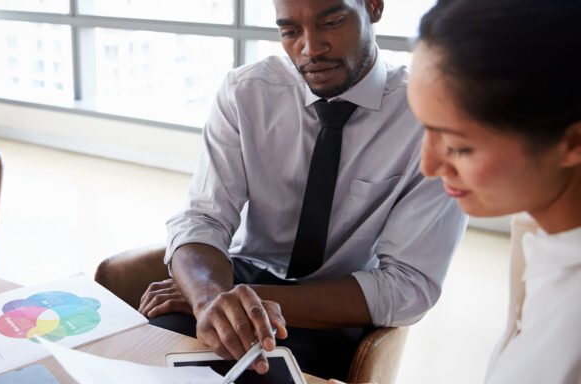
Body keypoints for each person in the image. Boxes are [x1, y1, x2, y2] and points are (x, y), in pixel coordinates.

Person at [97, 0, 466, 380]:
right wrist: (209, 300)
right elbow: (202, 218)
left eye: (333, 21)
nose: (310, 48)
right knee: (143, 361)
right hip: (237, 281)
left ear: (372, 7)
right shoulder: (246, 92)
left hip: (335, 308)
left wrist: (236, 301)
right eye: (290, 31)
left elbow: (408, 286)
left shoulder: (427, 118)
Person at [405, 0, 581, 382]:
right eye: (425, 128)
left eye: (459, 147)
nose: (428, 166)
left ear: (572, 142)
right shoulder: (540, 230)